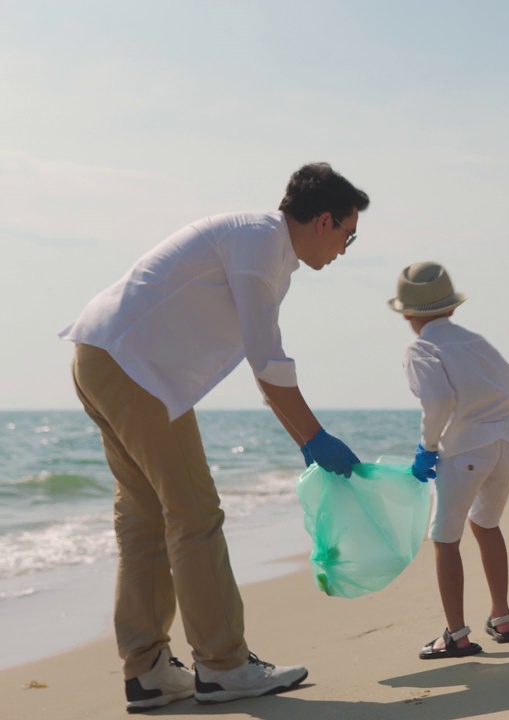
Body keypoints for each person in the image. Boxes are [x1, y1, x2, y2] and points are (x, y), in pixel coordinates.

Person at [59, 163, 368, 711]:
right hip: (134, 370)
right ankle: (223, 665)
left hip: (101, 357)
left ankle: (148, 670)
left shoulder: (261, 245)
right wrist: (316, 438)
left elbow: (264, 365)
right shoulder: (259, 245)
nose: (346, 246)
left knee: (147, 518)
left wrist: (307, 440)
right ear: (324, 220)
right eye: (348, 232)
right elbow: (267, 361)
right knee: (195, 514)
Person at [390, 261, 509, 659]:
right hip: (506, 443)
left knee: (445, 539)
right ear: (451, 307)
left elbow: (438, 400)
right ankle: (503, 617)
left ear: (408, 314)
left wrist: (428, 446)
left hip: (466, 449)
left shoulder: (421, 348)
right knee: (487, 525)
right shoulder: (477, 342)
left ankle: (457, 634)